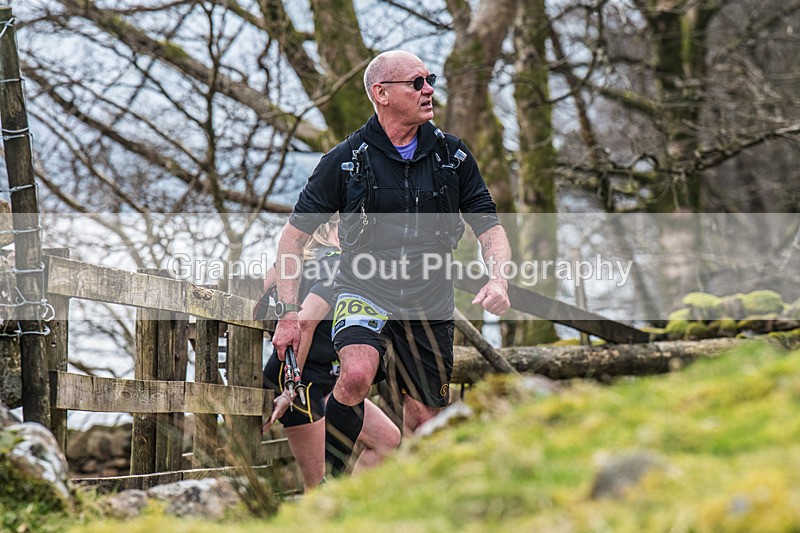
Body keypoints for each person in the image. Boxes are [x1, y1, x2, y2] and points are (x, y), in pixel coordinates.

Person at [271, 50, 511, 476]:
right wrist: (289, 312)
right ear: (381, 93)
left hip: (429, 301)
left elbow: (489, 228)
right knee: (355, 375)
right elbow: (293, 238)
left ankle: (418, 500)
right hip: (364, 289)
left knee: (424, 421)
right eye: (417, 83)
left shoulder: (453, 157)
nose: (429, 90)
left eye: (430, 79)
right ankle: (331, 486)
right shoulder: (345, 160)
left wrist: (499, 280)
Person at [261, 215, 401, 490]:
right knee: (317, 486)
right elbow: (304, 323)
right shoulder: (336, 265)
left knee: (386, 438)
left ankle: (350, 507)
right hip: (300, 381)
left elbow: (263, 295)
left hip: (323, 377)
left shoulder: (297, 261)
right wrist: (290, 390)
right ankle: (332, 511)